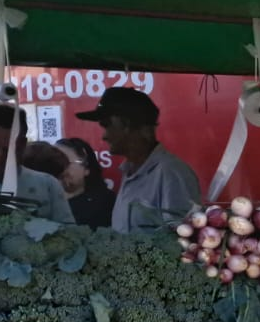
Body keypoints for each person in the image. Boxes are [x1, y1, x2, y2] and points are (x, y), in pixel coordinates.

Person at [76, 87, 199, 233]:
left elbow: (183, 240)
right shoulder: (130, 171)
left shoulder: (171, 174)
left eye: (108, 125)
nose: (104, 136)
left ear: (132, 126)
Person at [56, 136, 115, 229]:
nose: (58, 168)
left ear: (86, 168)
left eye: (65, 162)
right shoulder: (43, 202)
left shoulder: (107, 203)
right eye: (52, 162)